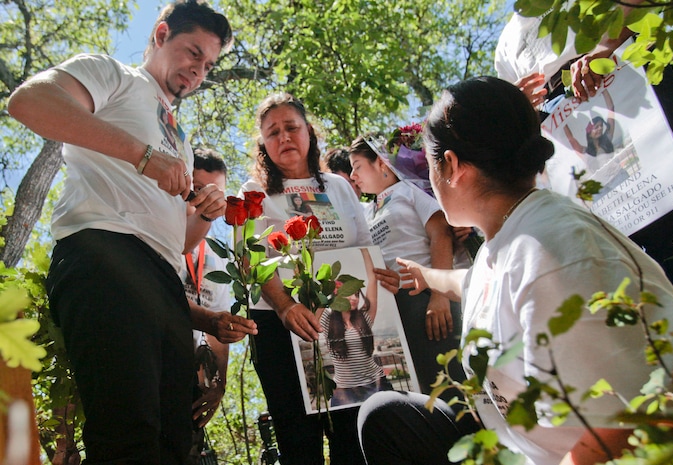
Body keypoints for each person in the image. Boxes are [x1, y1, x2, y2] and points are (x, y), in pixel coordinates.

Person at [357, 76, 673, 465]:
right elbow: (478, 282)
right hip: (519, 450)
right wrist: (429, 278)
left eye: (426, 165)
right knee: (386, 416)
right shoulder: (512, 239)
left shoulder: (556, 254)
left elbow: (624, 428)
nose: (426, 180)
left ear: (452, 165)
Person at [7, 2, 256, 463]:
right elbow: (28, 102)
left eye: (208, 65)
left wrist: (204, 211)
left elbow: (175, 247)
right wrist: (143, 156)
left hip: (162, 284)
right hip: (100, 256)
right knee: (128, 435)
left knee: (171, 443)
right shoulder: (113, 74)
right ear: (161, 34)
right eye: (191, 53)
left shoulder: (179, 137)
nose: (198, 71)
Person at [495, 1, 673, 365]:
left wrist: (605, 49)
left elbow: (639, 9)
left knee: (672, 229)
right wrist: (518, 105)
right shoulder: (506, 44)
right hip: (560, 134)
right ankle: (664, 379)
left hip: (621, 88)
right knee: (612, 259)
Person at [239, 92, 397, 465]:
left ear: (309, 132)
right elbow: (251, 257)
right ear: (264, 143)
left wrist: (381, 276)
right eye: (272, 132)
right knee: (298, 440)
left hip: (343, 323)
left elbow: (361, 246)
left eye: (291, 127)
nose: (284, 137)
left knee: (353, 432)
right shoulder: (254, 192)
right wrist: (285, 305)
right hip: (281, 326)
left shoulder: (339, 186)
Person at [349, 136, 466, 395]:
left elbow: (441, 235)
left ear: (380, 163)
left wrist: (439, 296)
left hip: (428, 303)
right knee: (422, 392)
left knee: (451, 387)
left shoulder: (409, 190)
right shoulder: (365, 212)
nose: (352, 175)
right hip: (394, 311)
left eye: (357, 166)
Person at [183, 149, 231, 464]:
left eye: (217, 193)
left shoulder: (219, 259)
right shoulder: (154, 239)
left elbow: (219, 328)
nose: (208, 201)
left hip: (191, 394)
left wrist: (219, 384)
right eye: (199, 190)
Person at [318, 248, 392, 407]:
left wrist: (364, 249)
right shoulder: (327, 320)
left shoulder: (365, 317)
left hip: (376, 385)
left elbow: (372, 280)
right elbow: (316, 301)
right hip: (344, 391)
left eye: (357, 294)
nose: (354, 298)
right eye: (349, 293)